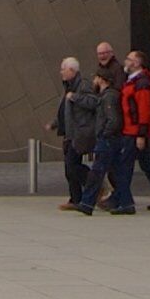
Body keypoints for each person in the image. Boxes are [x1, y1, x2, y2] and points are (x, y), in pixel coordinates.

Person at [116, 51, 150, 213]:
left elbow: (144, 110)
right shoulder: (133, 81)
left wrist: (141, 134)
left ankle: (125, 203)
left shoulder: (142, 83)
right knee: (148, 165)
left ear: (137, 63)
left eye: (129, 59)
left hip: (133, 131)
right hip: (132, 130)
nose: (126, 62)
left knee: (124, 167)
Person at [55, 57, 111, 213]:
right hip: (68, 132)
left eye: (63, 69)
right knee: (68, 168)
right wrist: (56, 123)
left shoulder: (83, 85)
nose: (61, 72)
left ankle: (95, 184)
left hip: (80, 132)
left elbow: (93, 101)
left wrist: (75, 97)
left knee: (73, 165)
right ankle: (75, 198)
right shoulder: (68, 86)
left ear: (72, 71)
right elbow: (65, 108)